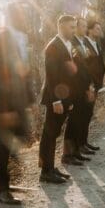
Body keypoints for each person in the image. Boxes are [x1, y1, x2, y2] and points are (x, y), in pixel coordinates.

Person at [0, 3, 35, 204]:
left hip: (18, 99)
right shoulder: (0, 41)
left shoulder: (21, 39)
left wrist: (29, 99)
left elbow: (23, 72)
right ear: (13, 16)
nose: (25, 17)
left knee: (17, 139)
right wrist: (4, 109)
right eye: (22, 14)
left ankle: (4, 181)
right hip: (3, 102)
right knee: (3, 145)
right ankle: (0, 191)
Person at [38, 15, 77, 183]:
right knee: (49, 133)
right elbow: (52, 76)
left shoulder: (67, 44)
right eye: (71, 27)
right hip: (55, 98)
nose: (74, 30)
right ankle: (45, 172)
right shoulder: (53, 46)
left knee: (54, 133)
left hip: (64, 97)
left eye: (75, 27)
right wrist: (56, 101)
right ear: (60, 27)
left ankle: (50, 167)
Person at [62, 17, 95, 165]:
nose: (81, 29)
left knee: (80, 120)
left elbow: (87, 67)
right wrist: (83, 87)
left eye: (79, 26)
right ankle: (68, 154)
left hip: (84, 87)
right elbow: (75, 70)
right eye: (77, 26)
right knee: (73, 122)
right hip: (76, 89)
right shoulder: (72, 43)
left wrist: (90, 85)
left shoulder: (83, 43)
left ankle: (76, 151)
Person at [82, 19, 105, 151]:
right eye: (97, 28)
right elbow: (85, 68)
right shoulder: (84, 43)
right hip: (87, 86)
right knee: (83, 115)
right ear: (89, 30)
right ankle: (79, 146)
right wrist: (89, 85)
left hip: (95, 85)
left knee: (88, 114)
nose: (100, 31)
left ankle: (84, 143)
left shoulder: (96, 44)